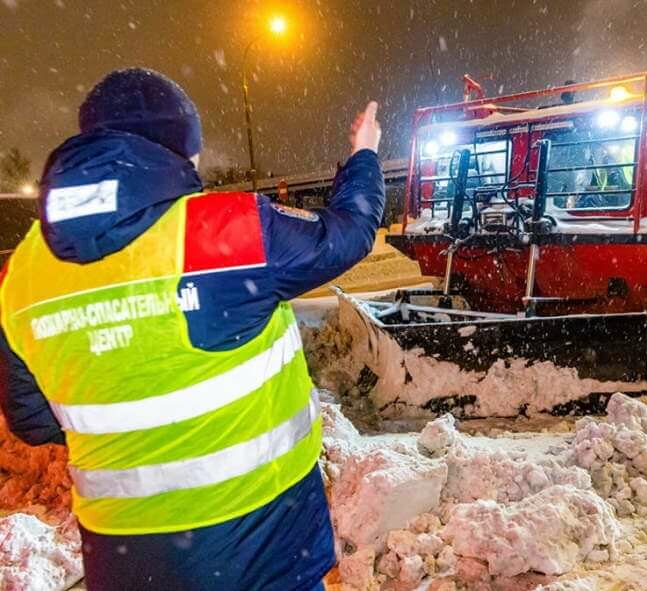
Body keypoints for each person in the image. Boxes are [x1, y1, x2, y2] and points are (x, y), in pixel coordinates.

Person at [0, 68, 384, 590]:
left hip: (125, 559)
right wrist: (364, 154)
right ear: (175, 149)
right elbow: (349, 233)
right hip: (262, 545)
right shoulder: (224, 230)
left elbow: (34, 421)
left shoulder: (23, 272)